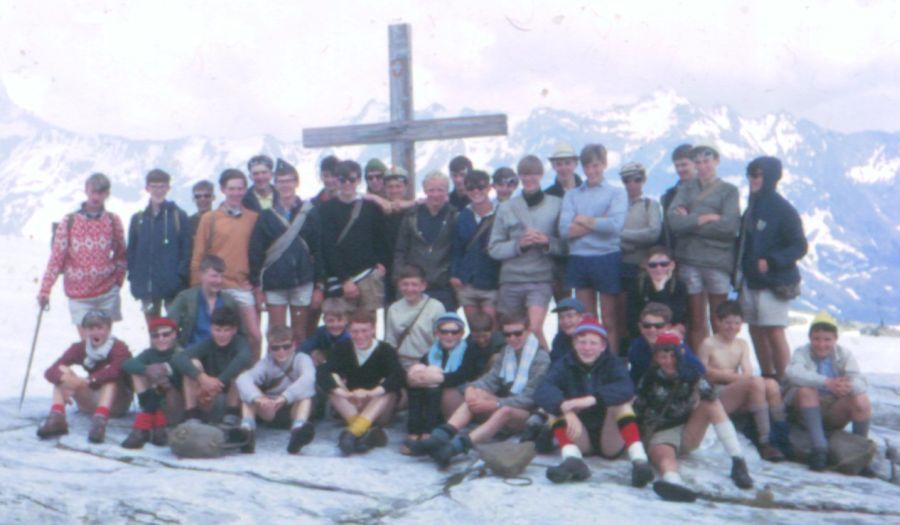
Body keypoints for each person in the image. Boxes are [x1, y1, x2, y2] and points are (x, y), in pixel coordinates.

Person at [412, 313, 551, 468]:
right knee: (476, 395)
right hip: (505, 402)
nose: (512, 338)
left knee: (504, 411)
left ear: (528, 331)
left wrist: (495, 404)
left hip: (526, 414)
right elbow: (490, 380)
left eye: (517, 333)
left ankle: (455, 448)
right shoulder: (507, 351)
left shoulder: (541, 358)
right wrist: (472, 388)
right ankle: (440, 437)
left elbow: (529, 398)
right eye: (507, 334)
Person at [634, 332, 753, 503]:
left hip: (687, 428)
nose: (668, 361)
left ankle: (738, 460)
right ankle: (672, 482)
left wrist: (693, 377)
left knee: (711, 404)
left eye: (672, 356)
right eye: (663, 357)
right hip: (661, 431)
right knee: (664, 456)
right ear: (656, 358)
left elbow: (709, 394)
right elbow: (638, 411)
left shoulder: (691, 373)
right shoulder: (649, 378)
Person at [534, 318, 653, 486]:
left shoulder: (613, 363)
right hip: (580, 435)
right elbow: (543, 389)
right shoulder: (564, 364)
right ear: (574, 343)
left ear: (602, 346)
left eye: (593, 343)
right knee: (553, 409)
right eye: (582, 342)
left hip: (609, 438)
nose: (587, 348)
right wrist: (564, 408)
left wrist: (593, 399)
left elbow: (626, 388)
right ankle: (572, 460)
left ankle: (640, 462)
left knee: (622, 403)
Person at [737, 156, 808, 379]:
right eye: (750, 174)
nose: (752, 179)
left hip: (774, 280)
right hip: (751, 279)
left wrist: (772, 260)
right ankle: (768, 376)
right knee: (755, 329)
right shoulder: (752, 206)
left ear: (769, 177)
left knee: (774, 330)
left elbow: (799, 246)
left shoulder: (783, 209)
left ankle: (786, 381)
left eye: (757, 175)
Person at [666, 141, 740, 352]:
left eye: (707, 161)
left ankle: (722, 368)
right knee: (696, 321)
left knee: (719, 320)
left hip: (717, 262)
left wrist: (690, 221)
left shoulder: (729, 190)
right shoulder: (686, 188)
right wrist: (706, 218)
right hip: (690, 260)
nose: (703, 166)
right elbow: (673, 222)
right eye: (698, 162)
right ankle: (702, 369)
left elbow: (728, 227)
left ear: (716, 161)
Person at [696, 301, 789, 462]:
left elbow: (748, 371)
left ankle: (781, 435)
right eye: (728, 323)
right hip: (717, 395)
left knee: (771, 384)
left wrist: (726, 375)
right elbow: (703, 373)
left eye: (737, 323)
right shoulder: (708, 343)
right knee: (756, 383)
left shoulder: (741, 344)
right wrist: (726, 375)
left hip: (735, 386)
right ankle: (765, 441)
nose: (732, 327)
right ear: (718, 322)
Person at [488, 155, 564, 349]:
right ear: (519, 177)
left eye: (533, 174)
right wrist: (518, 245)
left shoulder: (556, 204)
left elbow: (566, 246)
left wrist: (547, 242)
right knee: (511, 333)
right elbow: (494, 248)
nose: (529, 179)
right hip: (510, 279)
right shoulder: (506, 208)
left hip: (540, 278)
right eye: (524, 175)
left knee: (534, 329)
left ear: (540, 175)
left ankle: (546, 368)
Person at [39, 173, 127, 339]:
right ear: (86, 191)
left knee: (104, 344)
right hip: (79, 295)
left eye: (100, 193)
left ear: (107, 194)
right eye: (93, 191)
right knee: (87, 345)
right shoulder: (69, 222)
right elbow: (57, 258)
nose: (96, 197)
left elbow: (121, 253)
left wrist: (118, 281)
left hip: (106, 291)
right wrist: (45, 289)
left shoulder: (113, 220)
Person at [558, 144, 627, 354]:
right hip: (579, 258)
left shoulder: (616, 193)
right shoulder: (572, 195)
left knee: (609, 319)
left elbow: (614, 227)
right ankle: (589, 361)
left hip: (606, 257)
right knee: (586, 319)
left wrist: (584, 220)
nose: (591, 171)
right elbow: (564, 230)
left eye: (596, 165)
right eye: (587, 166)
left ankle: (611, 362)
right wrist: (599, 221)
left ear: (604, 165)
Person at [784, 311, 872, 472]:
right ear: (810, 338)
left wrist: (847, 386)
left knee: (862, 400)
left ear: (835, 339)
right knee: (806, 390)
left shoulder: (844, 354)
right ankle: (819, 449)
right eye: (816, 339)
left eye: (827, 340)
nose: (821, 344)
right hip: (804, 409)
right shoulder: (801, 352)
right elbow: (793, 373)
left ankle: (860, 451)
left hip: (833, 409)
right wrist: (826, 382)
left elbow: (860, 381)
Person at [248, 158, 323, 345]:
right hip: (275, 281)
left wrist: (320, 285)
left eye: (289, 180)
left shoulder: (310, 212)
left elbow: (319, 249)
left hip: (303, 280)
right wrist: (257, 285)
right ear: (275, 184)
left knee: (299, 334)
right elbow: (256, 252)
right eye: (281, 181)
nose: (285, 185)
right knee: (277, 334)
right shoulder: (266, 216)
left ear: (296, 183)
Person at [190, 169, 261, 360]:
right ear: (222, 189)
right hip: (216, 286)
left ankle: (252, 377)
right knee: (215, 336)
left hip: (241, 286)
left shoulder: (253, 218)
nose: (236, 193)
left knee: (254, 336)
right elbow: (199, 254)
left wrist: (256, 283)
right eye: (232, 188)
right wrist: (198, 286)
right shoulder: (210, 219)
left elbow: (258, 253)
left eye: (240, 188)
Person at [36, 310, 132, 444]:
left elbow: (116, 371)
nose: (95, 333)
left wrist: (88, 380)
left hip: (116, 403)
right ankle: (57, 418)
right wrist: (66, 379)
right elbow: (50, 371)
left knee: (109, 378)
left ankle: (99, 423)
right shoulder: (80, 347)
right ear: (85, 330)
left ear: (108, 329)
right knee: (62, 372)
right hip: (91, 399)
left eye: (99, 328)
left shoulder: (119, 347)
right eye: (91, 328)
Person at [316, 311, 404, 455]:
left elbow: (398, 375)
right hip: (354, 404)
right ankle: (364, 433)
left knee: (387, 388)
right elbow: (322, 372)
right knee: (333, 381)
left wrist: (371, 393)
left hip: (379, 408)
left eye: (365, 331)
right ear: (349, 331)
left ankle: (353, 432)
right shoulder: (343, 348)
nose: (360, 336)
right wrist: (344, 393)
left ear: (373, 330)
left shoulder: (385, 349)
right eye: (355, 331)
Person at [404, 313, 483, 452]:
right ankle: (414, 430)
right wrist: (416, 375)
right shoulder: (433, 351)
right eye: (444, 332)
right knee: (419, 377)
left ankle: (430, 432)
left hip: (460, 396)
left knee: (434, 381)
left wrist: (438, 378)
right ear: (437, 333)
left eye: (454, 332)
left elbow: (464, 375)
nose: (449, 336)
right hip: (435, 393)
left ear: (462, 333)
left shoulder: (470, 349)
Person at [318, 160, 388, 316]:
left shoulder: (371, 207)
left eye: (352, 179)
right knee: (342, 329)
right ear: (337, 180)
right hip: (339, 278)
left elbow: (381, 239)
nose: (347, 184)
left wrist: (381, 264)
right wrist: (344, 280)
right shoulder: (326, 209)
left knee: (368, 329)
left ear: (359, 180)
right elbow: (328, 246)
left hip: (368, 274)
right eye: (343, 180)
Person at [236, 325, 317, 454]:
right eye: (276, 348)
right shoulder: (265, 363)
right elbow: (243, 379)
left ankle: (298, 431)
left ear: (294, 345)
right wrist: (258, 397)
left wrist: (285, 397)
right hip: (272, 409)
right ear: (269, 348)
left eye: (286, 346)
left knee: (305, 398)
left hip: (294, 408)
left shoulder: (302, 359)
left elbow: (308, 379)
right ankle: (247, 431)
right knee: (247, 397)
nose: (281, 351)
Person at [126, 168, 192, 323]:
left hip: (172, 286)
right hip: (147, 287)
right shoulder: (138, 219)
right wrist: (134, 276)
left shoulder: (178, 216)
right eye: (154, 186)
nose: (158, 190)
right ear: (147, 188)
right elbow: (132, 251)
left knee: (174, 327)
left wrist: (180, 276)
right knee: (153, 330)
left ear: (168, 188)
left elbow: (186, 249)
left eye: (162, 186)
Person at [171, 307, 252, 425]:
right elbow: (179, 358)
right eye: (218, 330)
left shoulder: (240, 343)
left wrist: (218, 382)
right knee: (193, 363)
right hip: (206, 395)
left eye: (226, 330)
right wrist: (201, 377)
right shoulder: (208, 343)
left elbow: (244, 359)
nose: (222, 335)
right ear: (211, 329)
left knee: (242, 371)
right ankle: (192, 414)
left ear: (234, 330)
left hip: (228, 393)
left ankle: (231, 414)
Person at [393, 171, 458, 311]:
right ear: (424, 190)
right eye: (431, 190)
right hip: (414, 285)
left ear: (447, 191)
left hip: (443, 285)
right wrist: (400, 277)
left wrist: (451, 274)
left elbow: (458, 250)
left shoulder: (455, 216)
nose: (435, 194)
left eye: (440, 190)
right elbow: (400, 250)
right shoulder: (411, 215)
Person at [120, 317, 184, 449]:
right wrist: (146, 369)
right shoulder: (150, 353)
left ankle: (142, 426)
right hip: (157, 403)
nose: (161, 339)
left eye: (165, 334)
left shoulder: (180, 353)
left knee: (161, 377)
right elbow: (127, 364)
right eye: (155, 336)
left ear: (174, 334)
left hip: (176, 406)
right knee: (138, 372)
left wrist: (159, 372)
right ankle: (157, 425)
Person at [618, 162, 662, 348]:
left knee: (644, 316)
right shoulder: (617, 205)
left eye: (636, 179)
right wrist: (633, 241)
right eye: (627, 180)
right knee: (621, 316)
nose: (632, 184)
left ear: (643, 180)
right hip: (620, 267)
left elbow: (653, 233)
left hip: (643, 270)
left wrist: (623, 235)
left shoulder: (650, 204)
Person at [451, 170, 500, 325]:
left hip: (492, 280)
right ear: (465, 190)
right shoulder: (462, 215)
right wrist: (454, 273)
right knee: (475, 329)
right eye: (471, 188)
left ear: (489, 187)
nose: (476, 191)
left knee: (491, 328)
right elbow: (457, 248)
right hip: (467, 280)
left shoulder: (500, 213)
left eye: (481, 187)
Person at [364, 166, 417, 304]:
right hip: (383, 269)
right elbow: (352, 195)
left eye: (398, 186)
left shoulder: (415, 210)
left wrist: (410, 203)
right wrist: (376, 198)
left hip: (409, 270)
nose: (394, 191)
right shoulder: (376, 209)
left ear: (406, 187)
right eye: (390, 187)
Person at [167, 255, 241, 347]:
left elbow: (241, 335)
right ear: (201, 275)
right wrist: (181, 354)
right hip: (191, 353)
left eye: (222, 276)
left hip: (221, 354)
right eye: (214, 276)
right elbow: (168, 330)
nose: (219, 280)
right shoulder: (185, 298)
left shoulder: (229, 301)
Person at [385, 265, 446, 370]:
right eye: (405, 284)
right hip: (401, 363)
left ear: (423, 286)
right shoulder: (393, 309)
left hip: (428, 362)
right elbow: (390, 341)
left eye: (414, 285)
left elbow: (441, 340)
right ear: (399, 285)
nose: (410, 289)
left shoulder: (436, 307)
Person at [627, 302, 704, 386]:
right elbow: (634, 378)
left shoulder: (677, 346)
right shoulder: (636, 347)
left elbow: (700, 371)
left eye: (658, 326)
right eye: (647, 325)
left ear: (668, 327)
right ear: (640, 327)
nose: (652, 330)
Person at [625, 246, 688, 342]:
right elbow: (632, 317)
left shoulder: (679, 286)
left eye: (664, 264)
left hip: (669, 330)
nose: (658, 268)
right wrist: (649, 329)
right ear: (646, 266)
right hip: (644, 330)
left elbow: (677, 317)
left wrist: (660, 290)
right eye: (653, 265)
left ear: (672, 265)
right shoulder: (637, 285)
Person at [659, 144, 695, 249]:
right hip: (678, 251)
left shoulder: (712, 192)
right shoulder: (669, 196)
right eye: (677, 166)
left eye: (684, 165)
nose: (680, 169)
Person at [299, 298, 351, 366]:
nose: (335, 325)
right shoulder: (320, 332)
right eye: (330, 320)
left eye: (340, 320)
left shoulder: (352, 335)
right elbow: (302, 350)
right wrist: (311, 353)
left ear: (346, 320)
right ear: (324, 320)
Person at [548, 298, 585, 364]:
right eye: (561, 317)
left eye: (570, 316)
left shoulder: (593, 337)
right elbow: (555, 366)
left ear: (581, 317)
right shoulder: (559, 339)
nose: (565, 321)